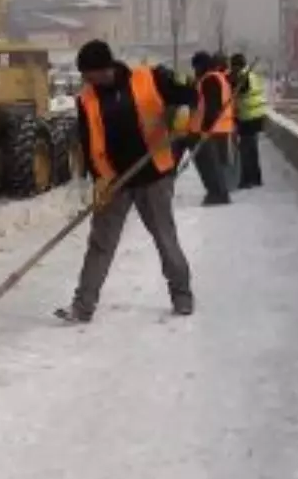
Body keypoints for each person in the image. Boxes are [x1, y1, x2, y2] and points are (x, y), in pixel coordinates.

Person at [56, 39, 199, 323]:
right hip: (114, 181)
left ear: (104, 68)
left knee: (164, 238)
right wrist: (99, 180)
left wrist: (183, 115)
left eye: (89, 74)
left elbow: (190, 95)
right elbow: (88, 142)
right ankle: (82, 307)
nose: (85, 80)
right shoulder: (87, 98)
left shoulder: (150, 78)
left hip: (153, 175)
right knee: (100, 244)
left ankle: (182, 296)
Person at [187, 50, 235, 205]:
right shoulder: (217, 77)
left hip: (211, 130)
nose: (195, 71)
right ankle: (217, 192)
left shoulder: (210, 80)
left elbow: (212, 107)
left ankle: (218, 194)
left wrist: (205, 130)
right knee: (213, 164)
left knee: (211, 165)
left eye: (196, 67)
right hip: (218, 128)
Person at [230, 52, 267, 188]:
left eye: (232, 66)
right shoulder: (251, 75)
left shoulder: (243, 77)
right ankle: (256, 178)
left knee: (245, 150)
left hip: (248, 117)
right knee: (252, 149)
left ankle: (246, 179)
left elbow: (240, 90)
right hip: (257, 116)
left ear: (237, 66)